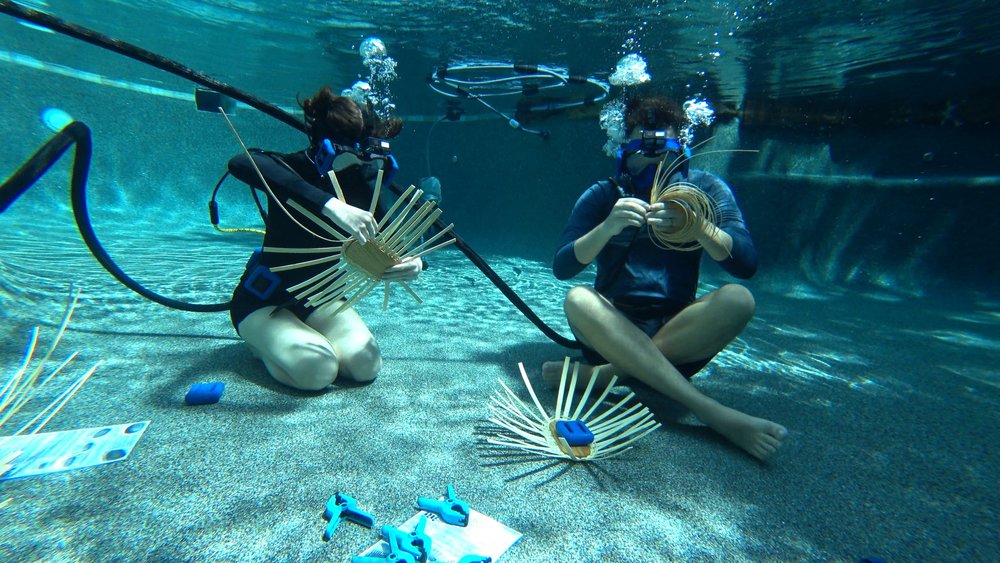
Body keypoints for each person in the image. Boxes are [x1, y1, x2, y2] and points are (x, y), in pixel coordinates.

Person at [546, 94, 787, 460]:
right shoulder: (605, 193)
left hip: (680, 332)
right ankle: (712, 413)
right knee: (578, 298)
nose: (654, 160)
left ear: (681, 148)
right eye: (645, 146)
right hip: (611, 330)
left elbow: (746, 264)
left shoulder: (705, 189)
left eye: (664, 147)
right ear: (624, 148)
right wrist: (608, 226)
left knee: (739, 298)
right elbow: (563, 267)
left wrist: (700, 226)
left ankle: (606, 375)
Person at [227, 87, 422, 391]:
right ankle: (261, 345)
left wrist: (415, 263)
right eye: (347, 152)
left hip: (323, 298)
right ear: (324, 145)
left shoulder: (363, 182)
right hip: (264, 302)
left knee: (365, 365)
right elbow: (242, 162)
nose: (357, 164)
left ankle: (291, 336)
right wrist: (331, 205)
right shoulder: (293, 169)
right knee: (317, 370)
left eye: (364, 154)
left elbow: (392, 241)